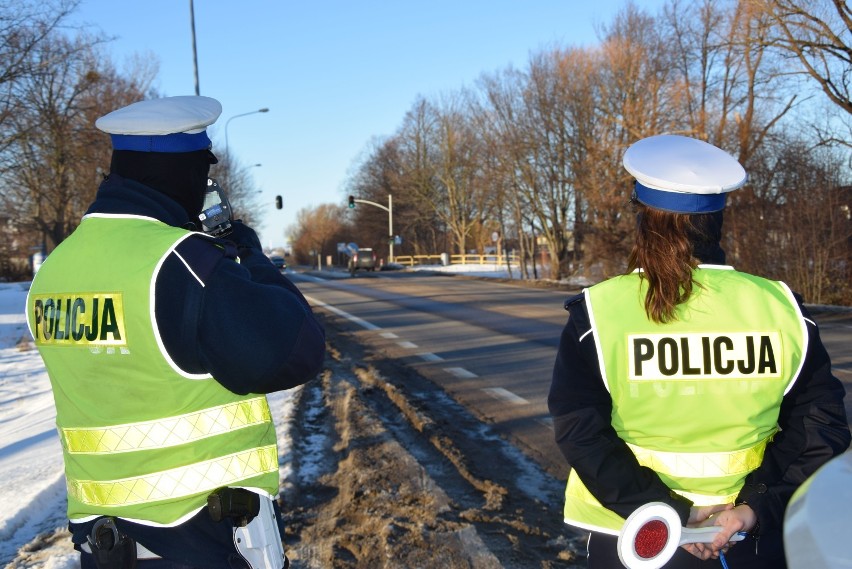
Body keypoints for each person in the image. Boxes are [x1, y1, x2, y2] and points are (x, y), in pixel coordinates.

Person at [25, 96, 326, 569]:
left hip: (104, 543)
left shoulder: (55, 271)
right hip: (205, 539)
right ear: (184, 172)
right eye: (202, 175)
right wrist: (257, 265)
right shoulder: (185, 263)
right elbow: (296, 350)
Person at [548, 134, 850, 568]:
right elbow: (820, 426)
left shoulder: (598, 312)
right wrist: (751, 509)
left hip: (635, 538)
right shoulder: (782, 308)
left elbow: (580, 431)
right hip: (749, 537)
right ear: (718, 218)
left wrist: (666, 512)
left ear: (642, 216)